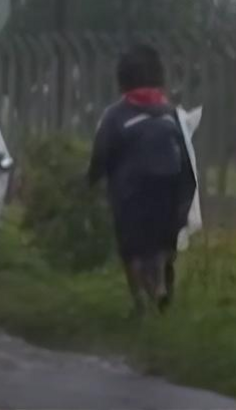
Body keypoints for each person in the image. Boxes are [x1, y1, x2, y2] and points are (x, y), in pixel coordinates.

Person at [89, 44, 196, 315]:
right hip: (169, 186)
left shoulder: (116, 114)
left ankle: (140, 304)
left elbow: (101, 153)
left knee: (132, 249)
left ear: (122, 78)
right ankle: (159, 283)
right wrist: (185, 197)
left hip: (130, 191)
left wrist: (91, 179)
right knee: (161, 243)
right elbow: (185, 155)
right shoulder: (170, 111)